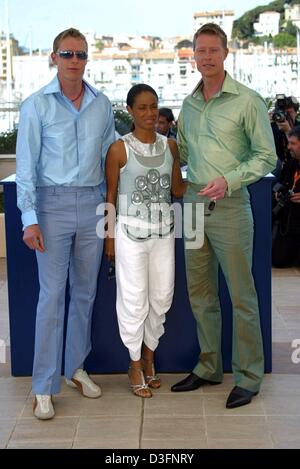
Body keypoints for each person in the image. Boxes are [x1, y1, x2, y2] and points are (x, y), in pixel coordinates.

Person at [171, 23, 277, 408]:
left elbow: (267, 156)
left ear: (226, 53)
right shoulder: (189, 103)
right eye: (201, 51)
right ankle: (209, 366)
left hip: (231, 205)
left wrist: (230, 180)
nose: (207, 57)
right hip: (194, 208)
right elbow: (180, 152)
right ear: (193, 55)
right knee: (200, 294)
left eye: (214, 50)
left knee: (242, 296)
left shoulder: (248, 100)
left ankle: (248, 376)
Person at [15, 28, 115, 419]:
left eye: (81, 54)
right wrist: (29, 219)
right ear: (54, 57)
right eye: (67, 53)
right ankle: (43, 385)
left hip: (92, 202)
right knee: (52, 297)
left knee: (86, 293)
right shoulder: (35, 105)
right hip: (51, 206)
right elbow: (25, 167)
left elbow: (113, 154)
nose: (75, 60)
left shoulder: (101, 104)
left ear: (87, 59)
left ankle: (75, 368)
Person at [105, 84, 186, 398]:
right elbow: (110, 196)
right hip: (129, 236)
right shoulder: (119, 150)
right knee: (134, 299)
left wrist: (211, 175)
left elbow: (177, 189)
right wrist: (108, 240)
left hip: (163, 234)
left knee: (162, 297)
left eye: (154, 106)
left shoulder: (170, 146)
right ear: (129, 111)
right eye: (142, 107)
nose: (150, 113)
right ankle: (135, 363)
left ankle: (151, 354)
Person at [272, 125, 300, 267]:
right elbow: (281, 184)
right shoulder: (291, 164)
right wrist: (278, 192)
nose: (289, 147)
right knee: (279, 261)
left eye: (293, 143)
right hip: (289, 223)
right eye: (289, 143)